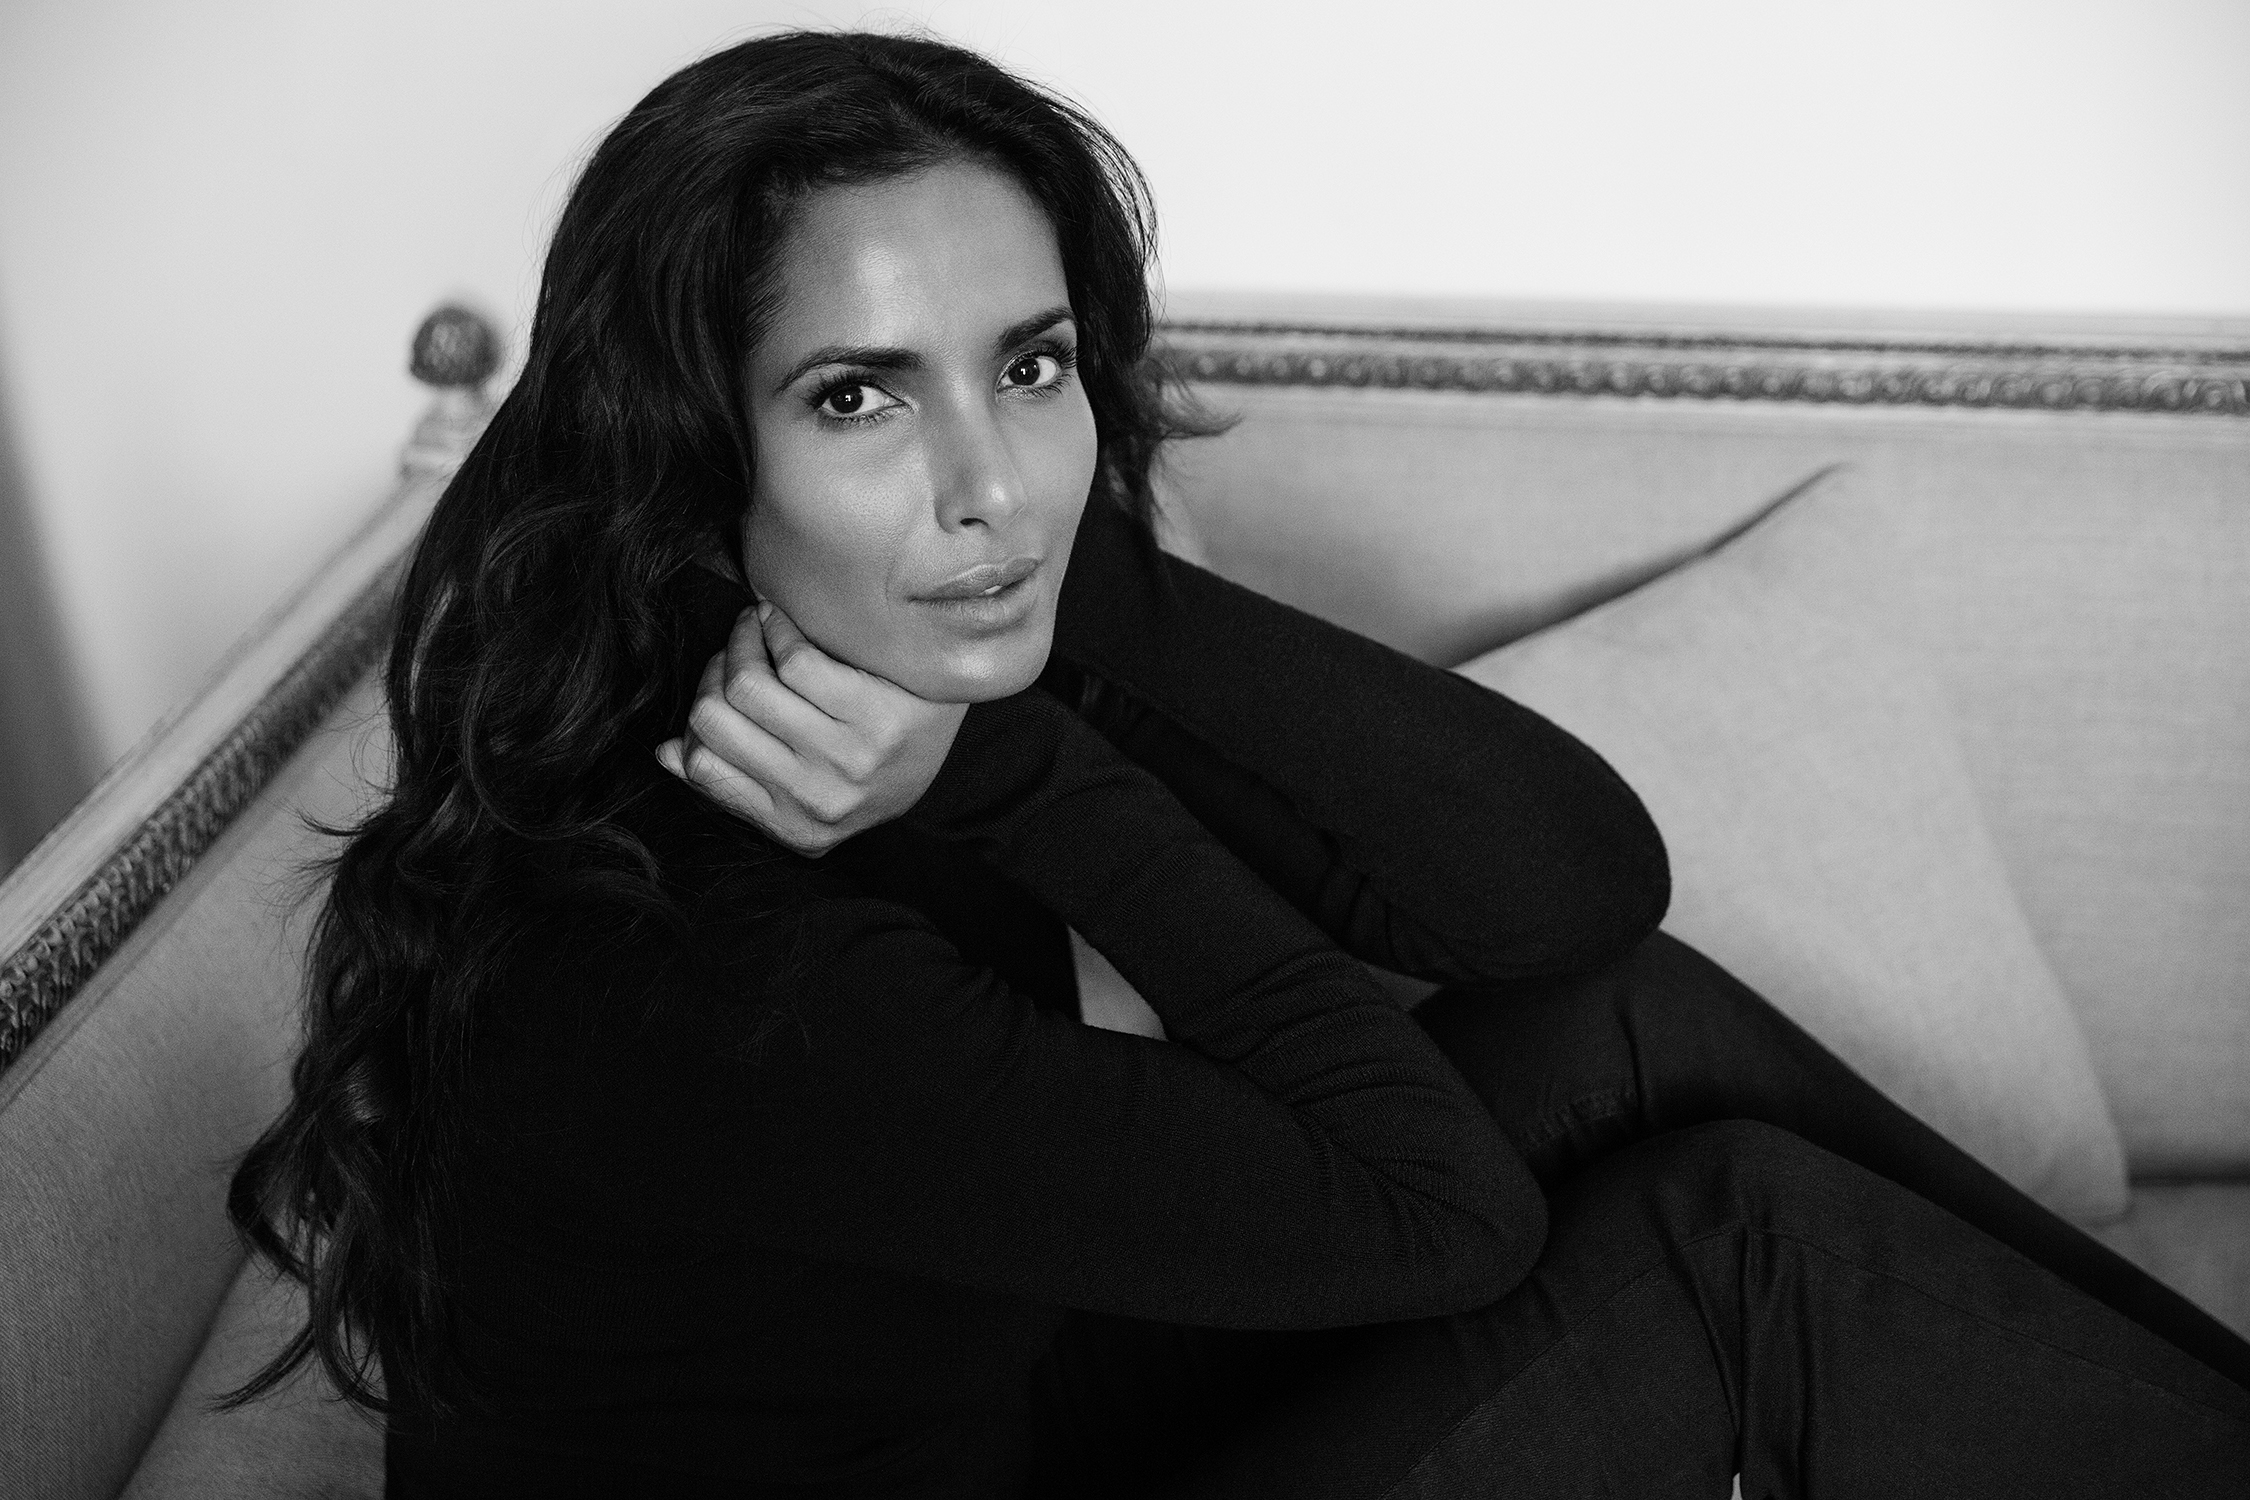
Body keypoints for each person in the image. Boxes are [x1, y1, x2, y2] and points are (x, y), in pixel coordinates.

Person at [225, 28, 2250, 1498]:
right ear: (685, 448)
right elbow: (1442, 1219)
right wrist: (1021, 778)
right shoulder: (698, 957)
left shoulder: (862, 642)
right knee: (1731, 1250)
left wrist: (1078, 594)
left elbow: (1570, 896)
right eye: (857, 395)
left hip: (989, 1411)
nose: (983, 483)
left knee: (1624, 1023)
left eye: (1027, 366)